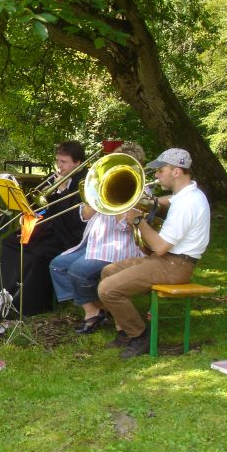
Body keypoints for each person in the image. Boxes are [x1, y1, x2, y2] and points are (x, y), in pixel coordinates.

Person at [98, 148, 210, 359]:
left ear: (176, 172)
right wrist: (151, 203)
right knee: (108, 271)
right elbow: (168, 202)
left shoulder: (188, 203)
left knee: (107, 289)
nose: (156, 175)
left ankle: (141, 336)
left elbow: (159, 247)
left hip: (175, 265)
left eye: (161, 170)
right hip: (166, 261)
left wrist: (139, 221)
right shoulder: (185, 195)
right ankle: (125, 332)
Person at [49, 143, 147, 333]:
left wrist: (118, 200)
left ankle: (97, 313)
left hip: (118, 248)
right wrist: (97, 199)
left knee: (78, 270)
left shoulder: (141, 192)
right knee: (57, 265)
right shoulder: (108, 184)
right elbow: (84, 216)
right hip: (94, 244)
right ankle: (95, 308)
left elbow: (125, 226)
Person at [0, 141, 89, 316]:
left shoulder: (83, 182)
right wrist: (46, 194)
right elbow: (37, 206)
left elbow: (75, 218)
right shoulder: (55, 177)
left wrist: (61, 191)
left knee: (37, 254)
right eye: (57, 161)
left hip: (70, 235)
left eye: (64, 162)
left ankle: (32, 304)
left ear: (77, 163)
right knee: (10, 242)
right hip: (51, 228)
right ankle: (8, 293)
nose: (59, 166)